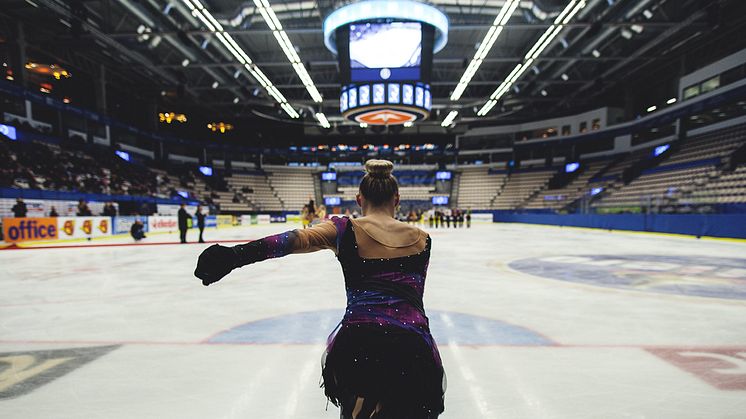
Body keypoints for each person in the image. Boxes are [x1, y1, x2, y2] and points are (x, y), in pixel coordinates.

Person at [194, 160, 445, 419]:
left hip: (363, 345)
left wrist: (236, 255)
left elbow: (291, 240)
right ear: (397, 199)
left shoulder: (345, 230)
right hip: (413, 349)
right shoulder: (423, 239)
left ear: (359, 199)